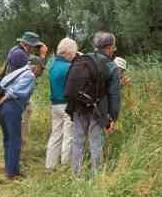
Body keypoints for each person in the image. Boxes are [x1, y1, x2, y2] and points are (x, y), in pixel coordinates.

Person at [68, 31, 121, 176]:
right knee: (96, 143)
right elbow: (114, 95)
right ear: (109, 48)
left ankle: (75, 175)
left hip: (78, 106)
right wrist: (113, 118)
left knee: (78, 140)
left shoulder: (83, 59)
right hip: (98, 111)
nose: (113, 51)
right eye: (113, 48)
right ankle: (96, 178)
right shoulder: (112, 67)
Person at [0, 57, 45, 180]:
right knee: (15, 140)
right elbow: (13, 92)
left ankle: (9, 168)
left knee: (7, 139)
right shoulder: (30, 76)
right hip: (11, 108)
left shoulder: (19, 71)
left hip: (1, 110)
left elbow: (2, 83)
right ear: (35, 67)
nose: (41, 73)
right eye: (41, 69)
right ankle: (13, 173)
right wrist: (1, 102)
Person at [4, 31, 49, 148]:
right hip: (18, 95)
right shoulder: (20, 54)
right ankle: (19, 151)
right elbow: (35, 72)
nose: (35, 50)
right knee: (22, 121)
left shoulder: (15, 50)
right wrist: (42, 56)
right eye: (35, 47)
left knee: (20, 121)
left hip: (14, 92)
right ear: (28, 45)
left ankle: (17, 150)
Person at [45, 38, 78, 171]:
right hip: (67, 105)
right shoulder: (69, 67)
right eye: (74, 54)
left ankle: (50, 165)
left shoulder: (52, 65)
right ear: (68, 53)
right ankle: (65, 165)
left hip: (54, 104)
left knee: (55, 134)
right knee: (68, 136)